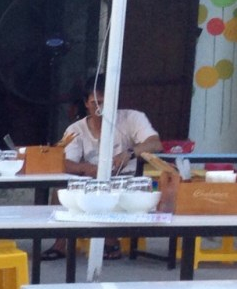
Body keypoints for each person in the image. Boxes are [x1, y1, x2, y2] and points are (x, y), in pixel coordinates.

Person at [45, 73, 164, 260]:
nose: (101, 108)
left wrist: (130, 153)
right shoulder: (76, 130)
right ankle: (61, 243)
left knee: (112, 189)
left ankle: (110, 241)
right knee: (61, 188)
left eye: (106, 102)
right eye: (96, 103)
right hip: (90, 181)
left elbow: (155, 143)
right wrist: (88, 169)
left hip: (126, 180)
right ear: (86, 103)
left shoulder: (133, 118)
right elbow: (64, 162)